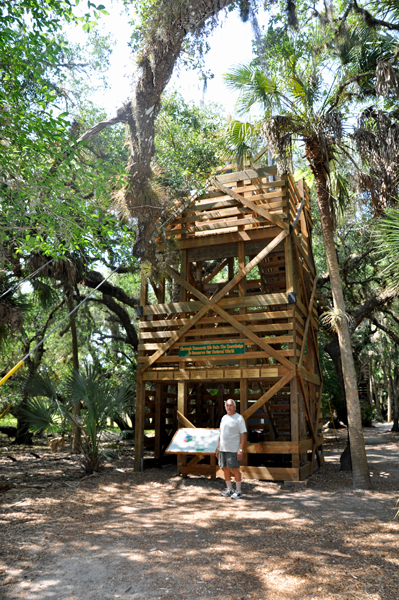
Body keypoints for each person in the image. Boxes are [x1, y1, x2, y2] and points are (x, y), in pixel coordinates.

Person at [215, 398, 247, 499]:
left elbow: (243, 434)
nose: (229, 407)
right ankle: (229, 489)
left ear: (235, 407)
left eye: (231, 405)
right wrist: (218, 447)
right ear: (225, 407)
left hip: (233, 449)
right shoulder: (224, 418)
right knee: (225, 468)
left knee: (235, 469)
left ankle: (238, 491)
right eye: (227, 405)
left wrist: (240, 449)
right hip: (223, 449)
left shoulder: (239, 418)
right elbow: (221, 434)